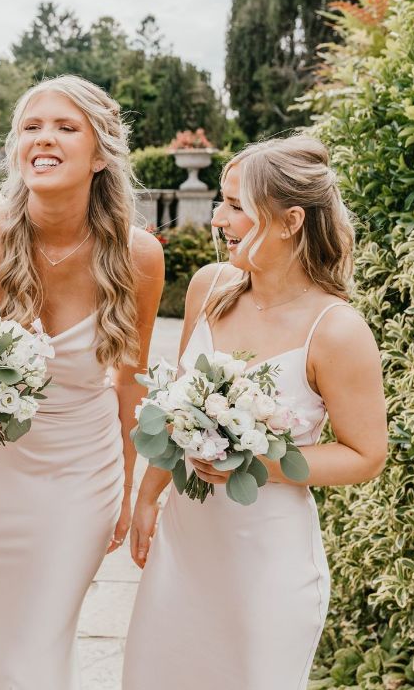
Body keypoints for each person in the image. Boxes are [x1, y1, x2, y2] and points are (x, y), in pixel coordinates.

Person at [122, 135, 388, 689]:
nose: (218, 219)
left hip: (267, 562)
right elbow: (178, 410)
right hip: (184, 544)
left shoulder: (336, 330)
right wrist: (148, 496)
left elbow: (366, 455)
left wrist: (257, 463)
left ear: (291, 220)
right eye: (220, 202)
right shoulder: (210, 288)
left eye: (235, 205)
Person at [0, 75, 165, 689]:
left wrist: (128, 488)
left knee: (36, 649)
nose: (44, 139)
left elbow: (132, 383)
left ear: (100, 155)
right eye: (32, 127)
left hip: (81, 477)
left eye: (65, 127)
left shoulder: (139, 256)